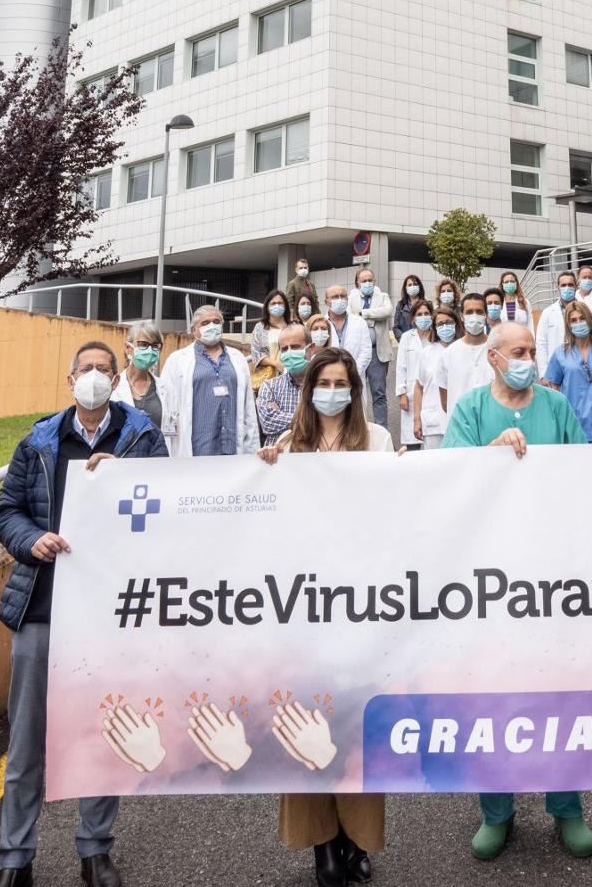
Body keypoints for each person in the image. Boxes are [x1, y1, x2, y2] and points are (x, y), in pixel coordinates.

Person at [0, 340, 167, 887]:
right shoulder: (39, 441)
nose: (93, 376)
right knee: (26, 744)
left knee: (103, 734)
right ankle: (14, 859)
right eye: (85, 369)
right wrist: (30, 539)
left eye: (102, 370)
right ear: (70, 378)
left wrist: (124, 479)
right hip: (43, 609)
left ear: (116, 380)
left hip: (110, 612)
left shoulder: (140, 437)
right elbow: (7, 510)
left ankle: (95, 850)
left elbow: (168, 503)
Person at [441, 319, 592, 861]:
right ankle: (496, 812)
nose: (528, 357)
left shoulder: (555, 407)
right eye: (518, 351)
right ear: (493, 358)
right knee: (494, 694)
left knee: (559, 691)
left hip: (552, 576)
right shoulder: (468, 411)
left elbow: (587, 473)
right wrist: (491, 452)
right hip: (490, 581)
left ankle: (567, 808)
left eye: (533, 350)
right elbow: (450, 482)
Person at [259, 348, 390, 885]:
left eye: (342, 382)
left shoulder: (379, 441)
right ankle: (323, 846)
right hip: (305, 610)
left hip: (362, 610)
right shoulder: (287, 449)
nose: (333, 390)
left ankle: (356, 841)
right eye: (325, 381)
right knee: (308, 723)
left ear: (355, 390)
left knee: (357, 727)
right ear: (309, 389)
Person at [156, 305, 259, 457]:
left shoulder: (237, 358)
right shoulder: (177, 360)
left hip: (232, 452)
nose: (212, 326)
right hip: (196, 452)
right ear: (193, 331)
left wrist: (252, 450)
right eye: (205, 323)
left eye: (216, 322)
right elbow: (166, 407)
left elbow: (248, 408)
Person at [544, 299, 592, 442]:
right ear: (568, 325)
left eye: (582, 318)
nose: (579, 323)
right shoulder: (560, 354)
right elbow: (554, 389)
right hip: (572, 422)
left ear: (590, 320)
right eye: (574, 320)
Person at [256, 317, 313, 441]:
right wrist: (311, 419)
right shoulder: (270, 386)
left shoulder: (323, 385)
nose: (289, 352)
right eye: (284, 349)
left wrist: (281, 417)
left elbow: (330, 422)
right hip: (277, 458)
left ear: (310, 349)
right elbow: (267, 423)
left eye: (295, 346)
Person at [353, 267, 395, 428]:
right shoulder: (352, 298)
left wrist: (364, 314)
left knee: (379, 394)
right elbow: (351, 316)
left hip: (378, 352)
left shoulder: (383, 296)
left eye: (370, 280)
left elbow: (386, 311)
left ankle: (382, 430)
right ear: (358, 283)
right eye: (364, 281)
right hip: (358, 353)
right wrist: (373, 316)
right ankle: (358, 429)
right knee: (356, 393)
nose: (367, 283)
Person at [439, 292, 492, 412]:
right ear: (462, 316)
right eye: (469, 312)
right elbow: (445, 402)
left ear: (486, 315)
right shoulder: (449, 354)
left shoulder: (497, 349)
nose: (474, 316)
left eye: (479, 312)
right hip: (460, 425)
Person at [111, 320, 165, 430]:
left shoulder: (166, 388)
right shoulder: (113, 387)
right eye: (143, 345)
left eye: (155, 346)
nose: (150, 350)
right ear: (128, 348)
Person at [412, 304, 450, 448]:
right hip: (433, 422)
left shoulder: (461, 350)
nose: (445, 327)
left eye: (448, 323)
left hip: (460, 423)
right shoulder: (426, 353)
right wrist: (417, 420)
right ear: (434, 327)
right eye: (440, 324)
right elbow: (418, 387)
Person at [395, 296, 430, 450]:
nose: (423, 317)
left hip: (430, 390)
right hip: (410, 393)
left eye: (426, 313)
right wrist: (402, 393)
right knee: (412, 442)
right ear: (413, 319)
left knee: (431, 436)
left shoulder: (436, 337)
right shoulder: (406, 338)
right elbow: (401, 366)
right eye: (419, 314)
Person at [325, 282, 373, 394]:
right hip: (329, 378)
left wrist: (352, 372)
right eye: (335, 297)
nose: (340, 299)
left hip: (354, 377)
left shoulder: (359, 322)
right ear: (326, 301)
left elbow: (366, 352)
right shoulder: (321, 324)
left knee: (356, 410)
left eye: (343, 296)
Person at [535, 270, 578, 379]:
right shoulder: (548, 312)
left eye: (570, 285)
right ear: (557, 287)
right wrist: (543, 374)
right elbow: (541, 343)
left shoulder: (585, 310)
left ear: (576, 286)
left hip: (579, 365)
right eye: (563, 285)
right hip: (554, 368)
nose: (567, 288)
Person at [251, 286, 295, 366]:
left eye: (280, 303)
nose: (277, 306)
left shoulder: (293, 326)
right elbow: (256, 353)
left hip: (291, 371)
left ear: (285, 306)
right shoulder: (260, 327)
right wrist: (275, 364)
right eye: (273, 303)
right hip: (268, 375)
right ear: (267, 307)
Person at [393, 275, 426, 340]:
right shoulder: (401, 306)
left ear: (419, 287)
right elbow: (396, 327)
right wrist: (403, 340)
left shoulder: (426, 305)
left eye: (415, 284)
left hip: (422, 341)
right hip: (406, 342)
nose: (412, 286)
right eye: (410, 285)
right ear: (405, 288)